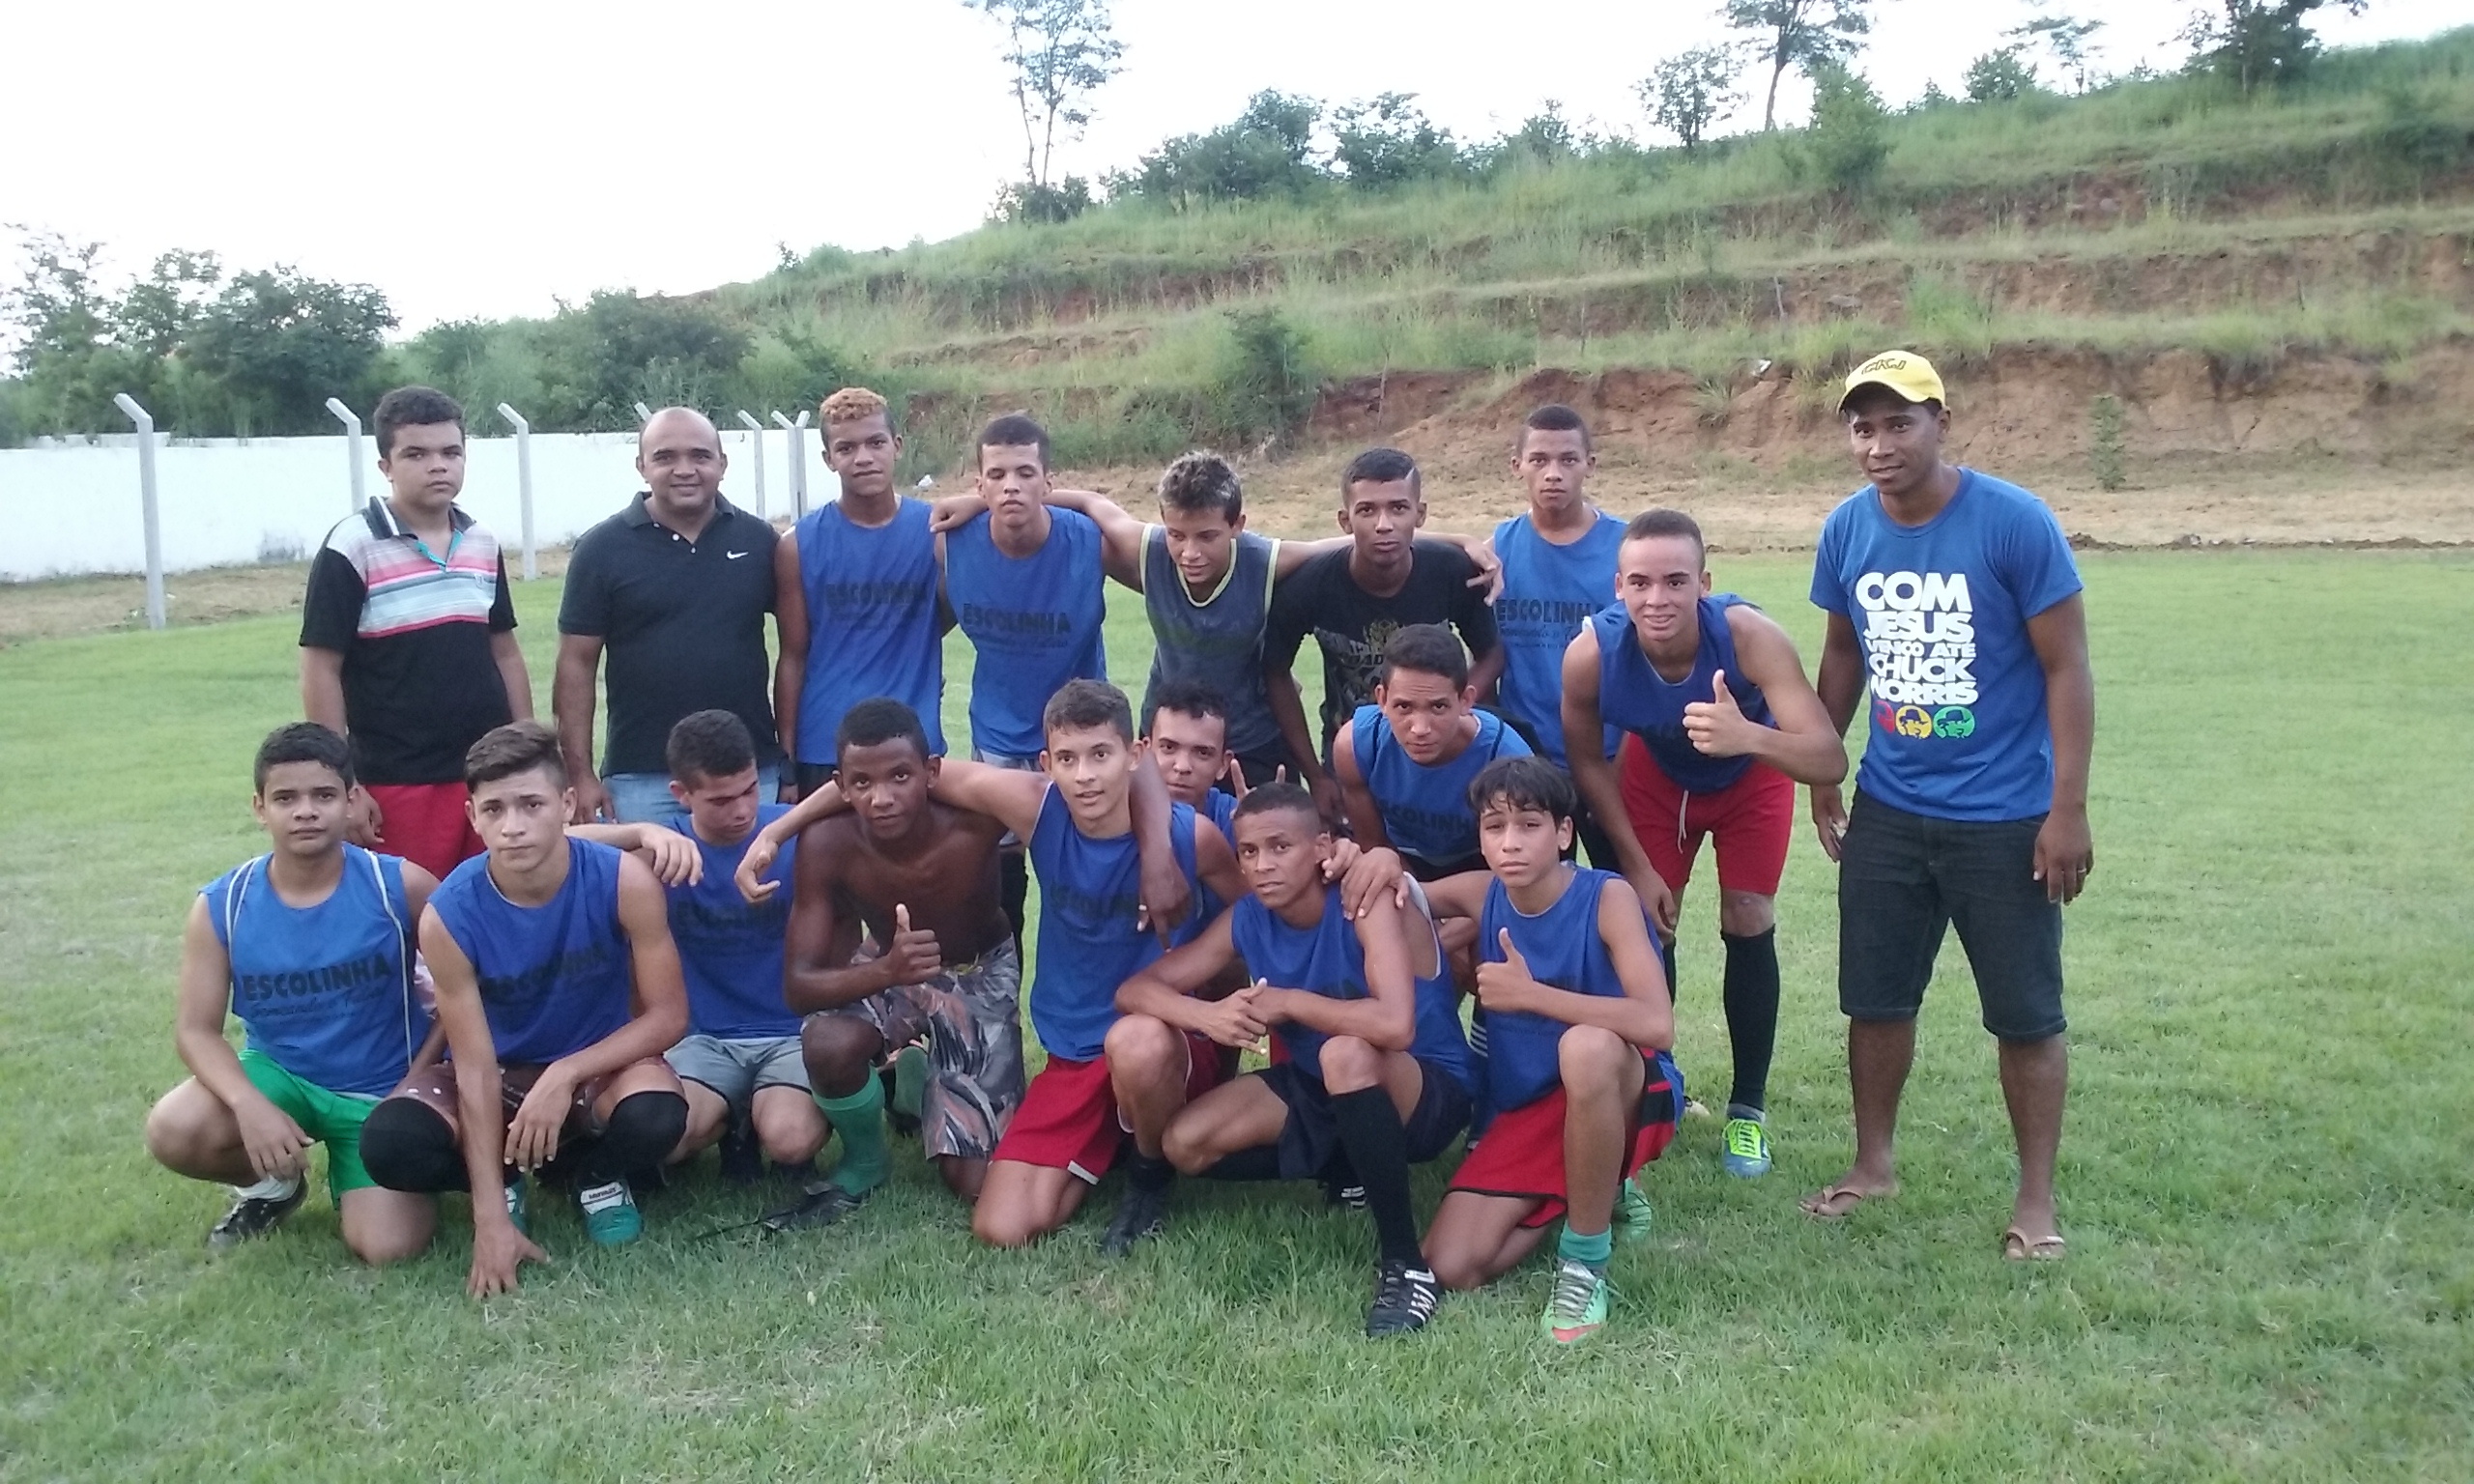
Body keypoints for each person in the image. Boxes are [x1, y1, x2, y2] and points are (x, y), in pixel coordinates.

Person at [1799, 351, 2094, 1264]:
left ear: (1941, 422)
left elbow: (2066, 668)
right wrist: (1825, 769)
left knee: (2025, 1012)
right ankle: (1873, 1164)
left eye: (1899, 424)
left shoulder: (2014, 522)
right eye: (1863, 427)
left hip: (2005, 817)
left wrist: (2067, 809)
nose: (1879, 444)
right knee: (1876, 1000)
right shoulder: (1848, 529)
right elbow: (1843, 654)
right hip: (1891, 809)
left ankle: (2035, 1201)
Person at [1117, 783, 1476, 1336]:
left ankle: (1406, 1265)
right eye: (1249, 852)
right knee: (1184, 1145)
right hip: (1324, 1082)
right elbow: (1139, 989)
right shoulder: (1248, 918)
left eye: (1280, 847)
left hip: (1424, 1087)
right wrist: (1207, 1018)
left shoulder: (1364, 898)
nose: (1262, 865)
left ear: (1320, 848)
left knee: (1345, 1053)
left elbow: (1395, 1026)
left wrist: (1289, 1002)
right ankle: (1346, 1164)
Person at [1560, 509, 1847, 1179]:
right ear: (1618, 587)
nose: (1656, 599)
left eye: (1675, 581)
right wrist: (1633, 861)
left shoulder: (1748, 635)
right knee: (1651, 924)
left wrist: (1746, 735)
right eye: (1640, 583)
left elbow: (1828, 755)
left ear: (1704, 583)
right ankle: (1663, 1087)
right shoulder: (1592, 655)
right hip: (1658, 778)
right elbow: (1585, 763)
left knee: (1748, 916)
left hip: (1752, 776)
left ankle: (1747, 1113)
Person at [357, 722, 691, 1297]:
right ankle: (507, 1181)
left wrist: (566, 1072)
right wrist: (489, 1219)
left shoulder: (622, 880)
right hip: (502, 1071)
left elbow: (668, 1018)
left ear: (565, 804)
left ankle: (594, 1175)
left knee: (658, 1114)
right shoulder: (448, 917)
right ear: (472, 817)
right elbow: (476, 1067)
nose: (512, 827)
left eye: (531, 804)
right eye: (494, 810)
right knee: (390, 1144)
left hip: (597, 1065)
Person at [1010, 450, 1505, 788]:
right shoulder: (1148, 550)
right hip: (1169, 737)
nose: (1190, 552)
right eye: (1178, 535)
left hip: (1254, 741)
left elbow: (1357, 540)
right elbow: (1093, 504)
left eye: (1206, 536)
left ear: (1237, 527)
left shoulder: (1266, 561)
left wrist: (1457, 540)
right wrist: (991, 500)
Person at [953, 681, 1243, 1253]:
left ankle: (1149, 1175)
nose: (1085, 775)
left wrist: (1207, 991)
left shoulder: (1197, 839)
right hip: (1076, 1048)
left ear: (1134, 755)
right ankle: (1116, 1137)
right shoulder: (1037, 809)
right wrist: (784, 827)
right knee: (1002, 1227)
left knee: (1137, 1043)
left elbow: (1250, 914)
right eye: (1068, 759)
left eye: (1100, 755)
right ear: (1047, 762)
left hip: (1164, 1037)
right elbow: (921, 772)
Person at [143, 723, 443, 1264]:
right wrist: (248, 1105)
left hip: (381, 1088)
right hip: (281, 1077)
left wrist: (420, 1081)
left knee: (388, 1248)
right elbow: (194, 1029)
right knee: (174, 1128)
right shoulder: (223, 904)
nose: (306, 810)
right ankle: (271, 1186)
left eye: (323, 795)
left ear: (351, 801)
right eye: (286, 798)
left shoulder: (399, 884)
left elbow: (466, 991)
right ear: (260, 807)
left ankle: (375, 1173)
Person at [1417, 757, 1679, 1345]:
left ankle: (1584, 1263)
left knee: (1585, 1049)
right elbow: (1407, 895)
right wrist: (1376, 862)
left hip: (1625, 1086)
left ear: (1563, 833)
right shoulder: (1484, 894)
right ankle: (1600, 1185)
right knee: (1451, 1265)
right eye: (1494, 827)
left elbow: (1657, 1024)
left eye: (1529, 825)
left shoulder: (1606, 896)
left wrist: (1533, 996)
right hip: (1530, 1106)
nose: (1510, 843)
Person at [743, 699, 1020, 1225]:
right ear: (841, 788)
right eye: (863, 784)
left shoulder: (977, 820)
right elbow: (798, 988)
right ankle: (867, 1158)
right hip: (892, 965)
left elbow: (1061, 805)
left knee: (975, 1182)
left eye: (900, 777)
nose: (883, 798)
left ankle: (915, 1079)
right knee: (826, 1042)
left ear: (932, 772)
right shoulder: (827, 842)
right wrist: (886, 971)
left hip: (977, 972)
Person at [300, 385, 532, 881]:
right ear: (385, 464)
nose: (438, 466)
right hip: (397, 782)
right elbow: (322, 666)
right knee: (411, 924)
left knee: (491, 913)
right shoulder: (352, 546)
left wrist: (526, 750)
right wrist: (341, 782)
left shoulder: (482, 540)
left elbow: (504, 651)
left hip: (485, 776)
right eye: (416, 454)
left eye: (451, 452)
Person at [555, 408, 784, 825]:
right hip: (642, 776)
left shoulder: (760, 542)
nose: (685, 470)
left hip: (749, 773)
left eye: (700, 455)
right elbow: (576, 664)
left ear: (722, 463)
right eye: (665, 457)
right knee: (645, 889)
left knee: (754, 887)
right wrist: (580, 773)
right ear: (642, 466)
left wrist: (787, 758)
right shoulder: (600, 550)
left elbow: (799, 650)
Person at [940, 414, 1110, 949]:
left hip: (1077, 740)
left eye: (1025, 473)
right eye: (996, 475)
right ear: (978, 484)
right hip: (997, 738)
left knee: (1089, 877)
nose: (1010, 485)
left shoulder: (1093, 543)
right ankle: (1000, 1013)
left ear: (1048, 481)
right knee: (998, 882)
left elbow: (1169, 561)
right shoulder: (950, 543)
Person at [1263, 447, 1504, 825]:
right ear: (1345, 520)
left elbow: (1492, 652)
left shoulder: (1452, 572)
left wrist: (1454, 708)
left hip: (1441, 750)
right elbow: (1275, 672)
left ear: (1419, 514)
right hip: (1352, 756)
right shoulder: (1309, 586)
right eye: (1367, 511)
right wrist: (1315, 774)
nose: (1383, 524)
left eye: (1398, 508)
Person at [644, 710, 825, 1184]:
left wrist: (778, 830)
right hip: (705, 1037)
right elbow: (560, 847)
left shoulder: (791, 831)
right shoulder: (665, 850)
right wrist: (639, 832)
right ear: (680, 795)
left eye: (750, 790)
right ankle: (732, 1120)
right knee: (667, 1138)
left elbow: (852, 786)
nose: (743, 810)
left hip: (790, 1029)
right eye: (721, 800)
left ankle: (765, 1116)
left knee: (791, 1139)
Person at [773, 387, 948, 799]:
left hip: (913, 739)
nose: (863, 457)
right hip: (827, 745)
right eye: (846, 447)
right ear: (828, 458)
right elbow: (792, 657)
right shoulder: (797, 546)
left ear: (897, 446)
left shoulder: (937, 532)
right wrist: (787, 762)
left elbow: (951, 612)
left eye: (875, 443)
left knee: (917, 864)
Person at [1489, 405, 1627, 866]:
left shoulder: (1627, 550)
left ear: (1590, 464)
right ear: (1517, 466)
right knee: (1539, 899)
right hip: (1528, 763)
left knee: (1627, 893)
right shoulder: (1496, 552)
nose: (1553, 474)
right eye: (1539, 460)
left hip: (1611, 761)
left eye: (1568, 460)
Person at [1331, 624, 1532, 880]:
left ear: (1465, 701)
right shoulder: (1357, 746)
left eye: (1438, 707)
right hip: (1398, 858)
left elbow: (1518, 865)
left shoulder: (1505, 758)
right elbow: (1374, 846)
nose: (1420, 729)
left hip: (1482, 866)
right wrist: (1419, 902)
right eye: (1403, 706)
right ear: (1381, 699)